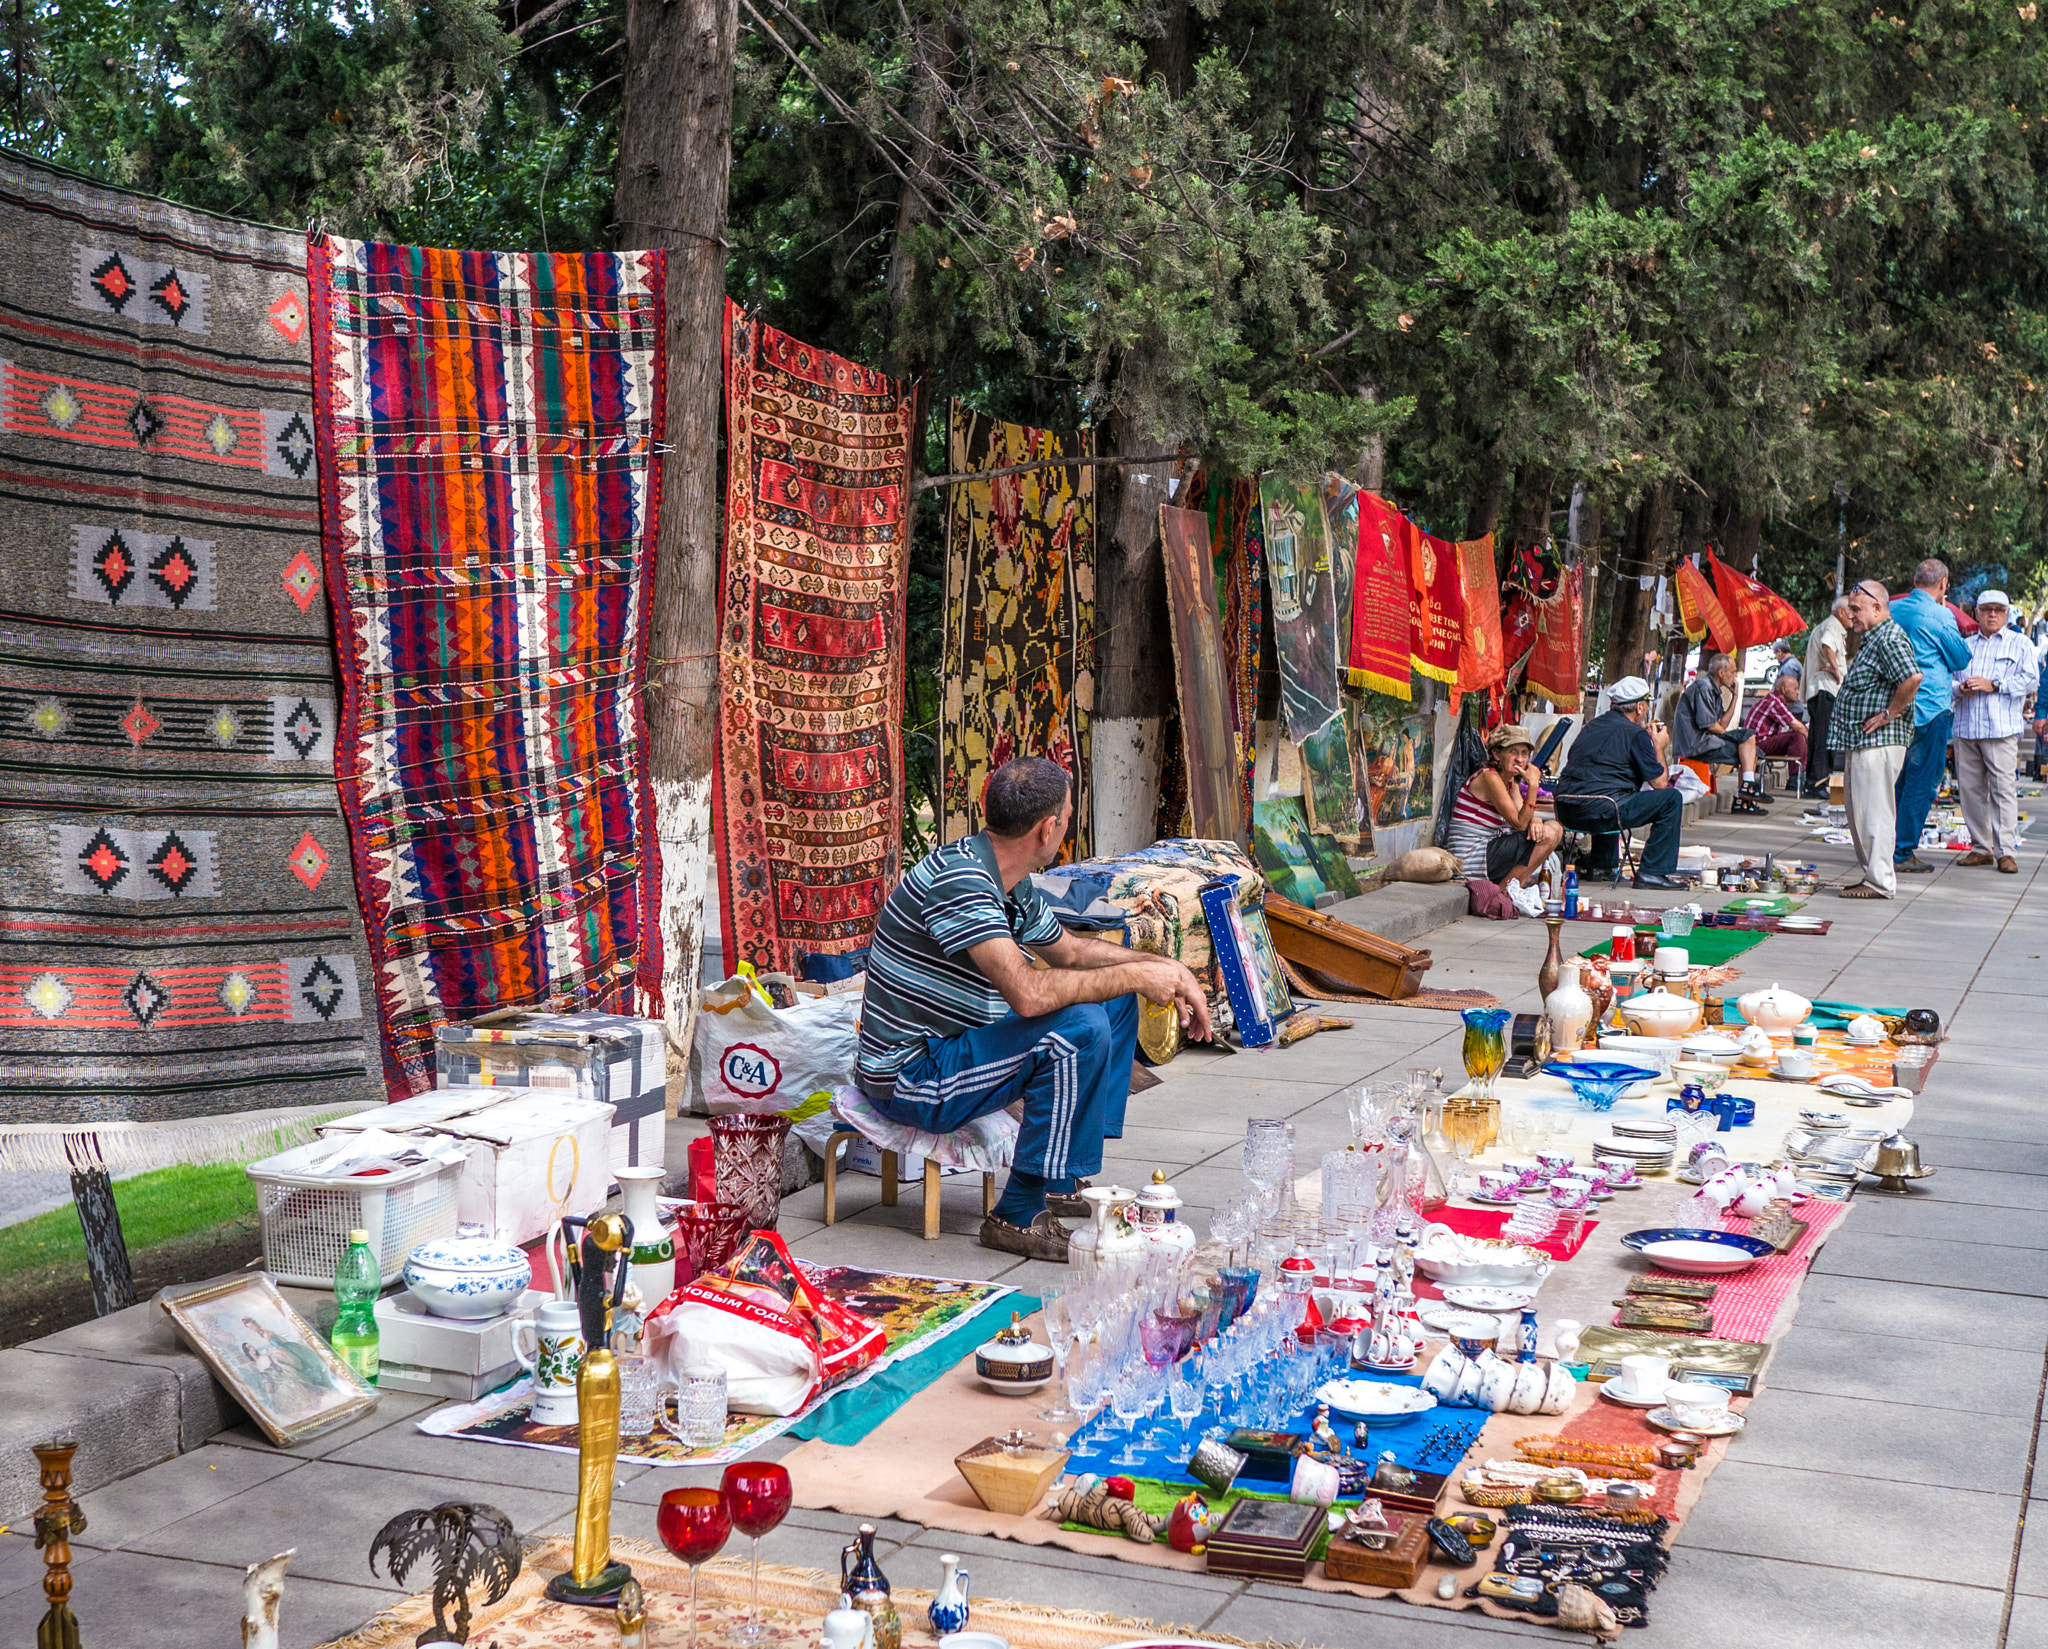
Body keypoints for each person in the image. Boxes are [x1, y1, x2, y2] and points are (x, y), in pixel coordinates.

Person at [854, 756, 1211, 1260]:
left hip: (952, 1049)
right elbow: (1028, 993)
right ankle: (1017, 1213)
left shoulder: (1005, 877)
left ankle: (1060, 1176)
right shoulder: (961, 882)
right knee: (1080, 1028)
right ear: (1049, 829)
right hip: (911, 1077)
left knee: (1110, 1004)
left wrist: (1166, 970)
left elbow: (1071, 951)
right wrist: (1136, 973)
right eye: (1066, 816)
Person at [1830, 580, 1923, 899]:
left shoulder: (1889, 636)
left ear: (1877, 608)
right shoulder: (1874, 637)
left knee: (1875, 812)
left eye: (1855, 609)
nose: (1850, 615)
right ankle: (1873, 876)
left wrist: (1889, 713)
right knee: (1860, 812)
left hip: (1880, 741)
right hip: (1864, 741)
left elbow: (1912, 677)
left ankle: (1880, 881)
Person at [1550, 676, 1687, 889]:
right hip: (1603, 811)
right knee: (1671, 798)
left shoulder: (1591, 726)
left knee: (1615, 790)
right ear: (1640, 707)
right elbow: (1660, 783)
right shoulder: (1635, 734)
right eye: (1647, 705)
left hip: (1567, 808)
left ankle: (1602, 867)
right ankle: (1652, 872)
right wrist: (1658, 746)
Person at [1886, 558, 1972, 874]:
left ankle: (1888, 845)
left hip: (1895, 706)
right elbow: (1961, 657)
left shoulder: (1893, 610)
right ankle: (1903, 851)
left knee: (1897, 779)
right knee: (1921, 782)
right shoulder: (1939, 615)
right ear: (1943, 584)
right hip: (1930, 706)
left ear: (1914, 579)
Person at [1951, 589, 2035, 873]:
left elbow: (2030, 681)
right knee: (1971, 792)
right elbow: (1948, 681)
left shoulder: (2020, 643)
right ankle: (1979, 847)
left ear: (2007, 613)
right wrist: (1960, 689)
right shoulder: (1965, 645)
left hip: (2000, 729)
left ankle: (2006, 852)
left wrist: (1995, 684)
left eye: (1999, 609)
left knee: (2003, 791)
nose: (1992, 614)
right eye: (1986, 609)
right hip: (1966, 726)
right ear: (1977, 612)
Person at [1445, 723, 1566, 916]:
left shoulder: (1510, 781)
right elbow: (1519, 823)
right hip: (1472, 856)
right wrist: (1533, 786)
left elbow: (1523, 817)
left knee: (1554, 828)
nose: (1520, 759)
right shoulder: (1489, 778)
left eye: (1525, 753)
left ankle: (1510, 890)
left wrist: (1535, 820)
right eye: (1513, 752)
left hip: (1488, 850)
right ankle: (1503, 893)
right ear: (1496, 754)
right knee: (1549, 833)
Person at [1672, 651, 1770, 813]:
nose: (1734, 676)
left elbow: (1722, 723)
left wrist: (1735, 697)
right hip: (1697, 744)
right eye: (1732, 672)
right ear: (1721, 672)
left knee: (1750, 746)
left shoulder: (1714, 689)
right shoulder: (1703, 687)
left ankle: (1746, 791)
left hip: (1709, 739)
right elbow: (1711, 725)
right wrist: (1726, 733)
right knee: (1747, 748)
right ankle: (1744, 794)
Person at [1803, 598, 1851, 795]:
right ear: (1840, 611)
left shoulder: (1828, 625)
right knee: (1824, 738)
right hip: (1825, 689)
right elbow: (1827, 645)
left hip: (1820, 689)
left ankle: (1814, 781)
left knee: (1817, 737)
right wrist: (1835, 668)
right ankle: (1818, 782)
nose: (1853, 616)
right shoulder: (1832, 625)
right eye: (1851, 611)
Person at [1746, 671, 1810, 780]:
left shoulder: (1772, 699)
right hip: (1758, 744)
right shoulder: (1774, 701)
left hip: (1757, 743)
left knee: (1797, 737)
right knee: (1797, 737)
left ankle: (1799, 774)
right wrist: (1811, 740)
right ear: (1784, 689)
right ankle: (1796, 778)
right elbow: (1797, 726)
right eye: (1795, 689)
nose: (1797, 692)